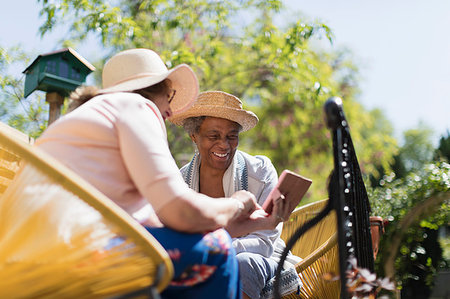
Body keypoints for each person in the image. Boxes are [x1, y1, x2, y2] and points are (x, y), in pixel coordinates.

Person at [35, 48, 260, 299]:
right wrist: (236, 204)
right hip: (80, 255)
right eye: (170, 96)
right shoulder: (134, 105)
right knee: (217, 248)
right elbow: (181, 213)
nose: (171, 110)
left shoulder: (85, 120)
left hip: (34, 259)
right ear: (153, 90)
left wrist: (256, 223)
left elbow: (155, 220)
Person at [170, 91, 302, 299]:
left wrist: (214, 250)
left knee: (241, 264)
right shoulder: (180, 182)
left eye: (232, 136)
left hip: (259, 261)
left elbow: (265, 242)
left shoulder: (259, 171)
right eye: (214, 136)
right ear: (194, 136)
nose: (224, 144)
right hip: (197, 262)